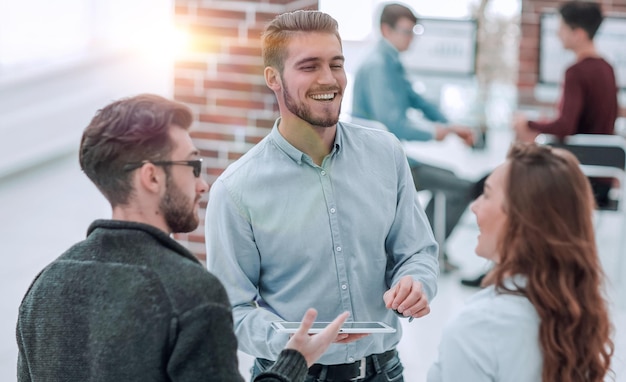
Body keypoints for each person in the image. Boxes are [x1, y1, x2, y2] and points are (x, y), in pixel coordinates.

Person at [16, 94, 350, 382]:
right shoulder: (191, 293)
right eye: (192, 165)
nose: (202, 185)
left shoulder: (44, 287)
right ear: (151, 176)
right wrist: (294, 360)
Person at [205, 10, 439, 382]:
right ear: (274, 79)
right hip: (291, 374)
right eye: (309, 66)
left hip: (383, 371)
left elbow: (417, 251)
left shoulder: (386, 153)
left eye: (336, 64)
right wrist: (294, 342)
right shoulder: (236, 190)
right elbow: (230, 310)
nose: (328, 79)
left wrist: (416, 281)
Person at [427, 142, 614, 381]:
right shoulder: (576, 312)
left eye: (487, 194)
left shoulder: (479, 328)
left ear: (521, 217)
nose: (474, 206)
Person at [351, 3, 477, 273]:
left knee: (453, 179)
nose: (411, 38)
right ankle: (424, 255)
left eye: (414, 32)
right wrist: (435, 132)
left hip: (393, 157)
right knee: (460, 185)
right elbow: (394, 123)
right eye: (406, 31)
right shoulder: (377, 66)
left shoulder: (390, 62)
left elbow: (417, 100)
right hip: (378, 165)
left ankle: (425, 252)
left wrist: (451, 126)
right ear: (386, 29)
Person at [514, 0, 617, 143]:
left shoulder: (575, 72)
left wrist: (527, 123)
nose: (558, 34)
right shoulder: (608, 68)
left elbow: (565, 127)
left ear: (578, 34)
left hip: (578, 158)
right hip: (605, 158)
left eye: (562, 28)